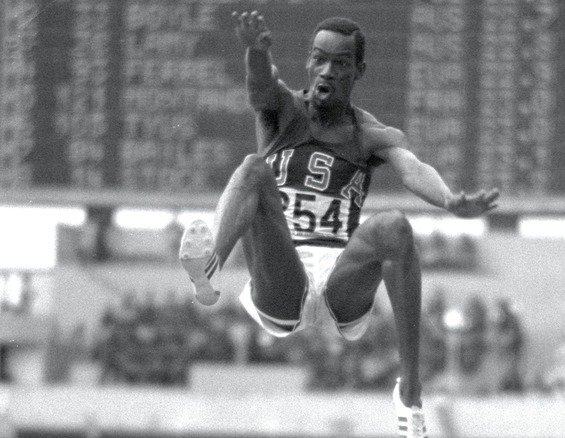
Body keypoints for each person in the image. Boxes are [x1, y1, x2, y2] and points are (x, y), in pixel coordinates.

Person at [179, 11, 499, 438]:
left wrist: (448, 200)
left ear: (358, 71)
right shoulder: (283, 112)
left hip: (340, 282)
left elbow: (413, 168)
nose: (327, 70)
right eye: (319, 59)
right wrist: (256, 51)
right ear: (308, 63)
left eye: (340, 63)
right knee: (253, 169)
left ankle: (411, 392)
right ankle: (210, 269)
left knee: (394, 227)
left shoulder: (370, 134)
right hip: (282, 274)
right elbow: (260, 85)